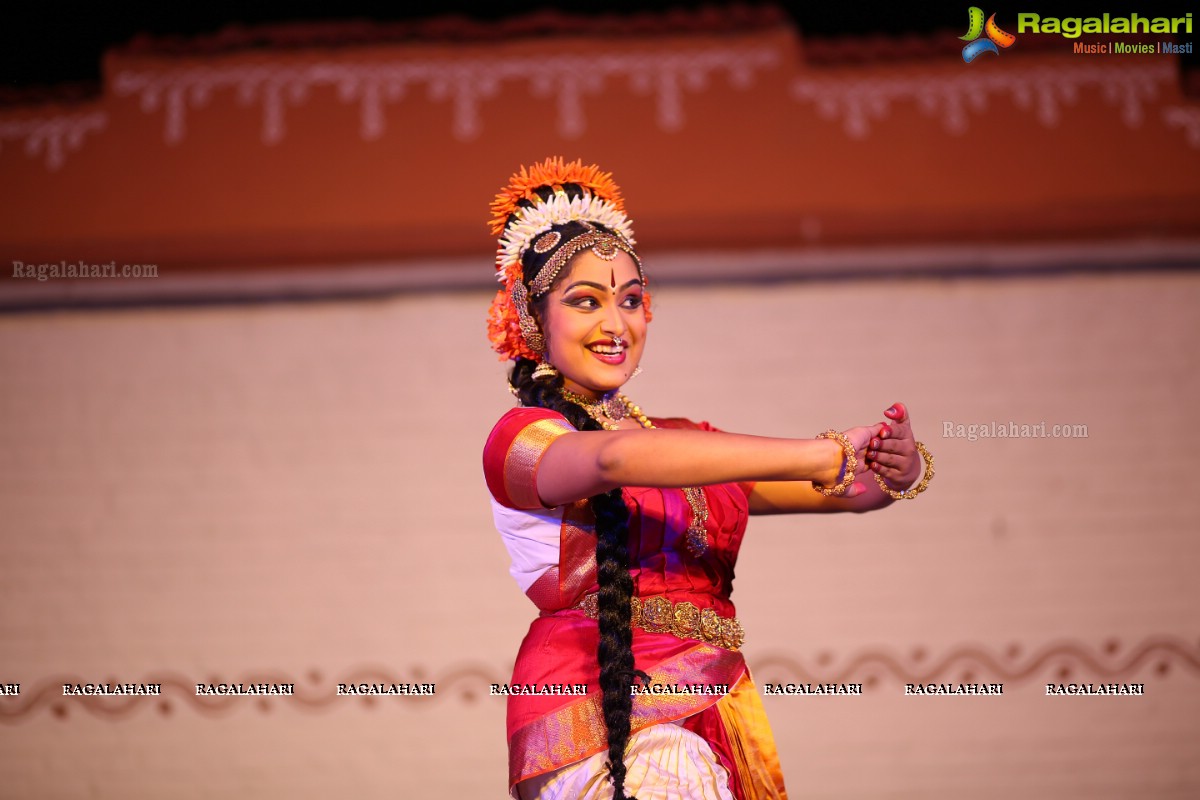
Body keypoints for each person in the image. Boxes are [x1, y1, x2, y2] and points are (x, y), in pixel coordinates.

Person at [482, 157, 934, 800]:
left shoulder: (686, 442)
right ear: (532, 320)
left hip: (715, 701)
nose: (616, 325)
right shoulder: (522, 440)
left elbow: (850, 490)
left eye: (631, 300)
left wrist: (896, 469)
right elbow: (612, 462)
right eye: (586, 302)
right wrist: (816, 453)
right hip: (589, 705)